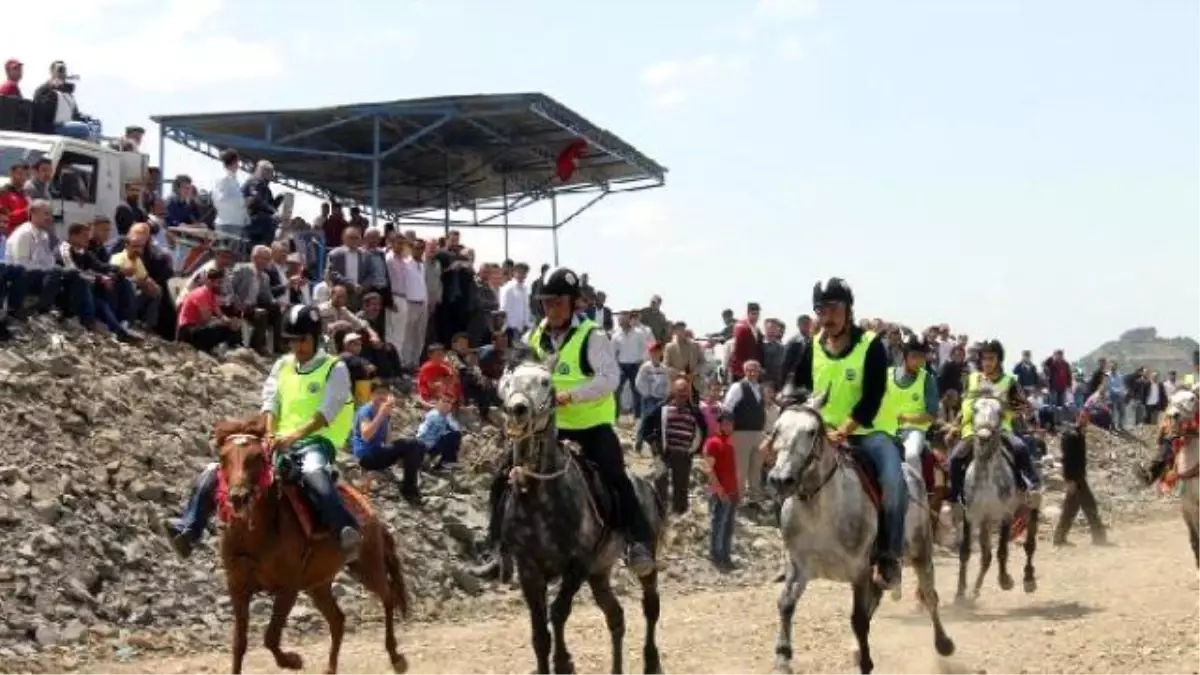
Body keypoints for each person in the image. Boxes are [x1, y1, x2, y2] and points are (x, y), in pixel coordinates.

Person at [471, 266, 657, 578]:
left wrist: (570, 396)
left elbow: (609, 379)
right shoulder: (533, 336)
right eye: (546, 302)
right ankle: (497, 550)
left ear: (573, 304)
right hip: (545, 428)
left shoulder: (593, 337)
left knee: (616, 477)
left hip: (589, 425)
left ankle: (636, 543)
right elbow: (509, 377)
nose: (551, 308)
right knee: (502, 476)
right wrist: (513, 394)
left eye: (558, 302)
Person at [162, 305, 362, 561]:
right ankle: (189, 529)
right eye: (292, 341)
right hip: (279, 440)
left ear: (315, 337)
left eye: (303, 340)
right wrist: (269, 433)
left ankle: (345, 530)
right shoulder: (283, 365)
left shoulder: (335, 369)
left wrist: (294, 436)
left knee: (312, 472)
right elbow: (271, 402)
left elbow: (327, 412)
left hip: (316, 440)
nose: (297, 347)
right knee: (217, 470)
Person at [788, 277, 907, 589]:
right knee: (785, 471)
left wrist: (844, 431)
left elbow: (872, 397)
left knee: (893, 481)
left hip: (868, 431)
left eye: (832, 308)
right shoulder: (812, 345)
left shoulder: (871, 346)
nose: (825, 316)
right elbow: (798, 386)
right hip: (821, 432)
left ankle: (889, 555)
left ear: (848, 310)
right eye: (820, 310)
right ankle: (794, 552)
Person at [948, 339, 1040, 505]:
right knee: (954, 459)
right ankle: (955, 500)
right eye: (984, 358)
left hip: (1000, 430)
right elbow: (965, 405)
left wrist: (1026, 411)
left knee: (1021, 448)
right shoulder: (972, 379)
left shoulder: (1009, 382)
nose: (987, 363)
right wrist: (955, 425)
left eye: (991, 358)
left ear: (998, 360)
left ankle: (1031, 488)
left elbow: (1022, 408)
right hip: (972, 430)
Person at [351, 382, 424, 505]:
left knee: (418, 445)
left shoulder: (384, 412)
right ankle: (408, 490)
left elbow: (388, 440)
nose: (382, 396)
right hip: (366, 456)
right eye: (379, 393)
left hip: (379, 453)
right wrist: (381, 414)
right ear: (372, 395)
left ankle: (410, 483)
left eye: (385, 393)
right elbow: (366, 435)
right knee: (411, 444)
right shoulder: (365, 411)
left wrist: (401, 453)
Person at [880, 335, 939, 476]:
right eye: (915, 356)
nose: (919, 361)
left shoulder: (927, 379)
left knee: (911, 455)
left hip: (914, 431)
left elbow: (931, 415)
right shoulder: (887, 374)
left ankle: (915, 495)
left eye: (922, 357)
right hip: (887, 430)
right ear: (905, 356)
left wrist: (905, 417)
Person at [1053, 411, 1107, 546]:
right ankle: (1099, 538)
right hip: (1075, 478)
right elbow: (1067, 459)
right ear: (1077, 417)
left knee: (1070, 509)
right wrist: (1069, 480)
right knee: (1090, 506)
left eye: (1087, 417)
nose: (1085, 419)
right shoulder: (1071, 435)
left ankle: (1059, 538)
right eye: (1082, 417)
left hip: (1078, 476)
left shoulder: (1079, 434)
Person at [703, 410, 739, 570]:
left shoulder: (731, 443)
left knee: (728, 526)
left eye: (730, 423)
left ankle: (726, 556)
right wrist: (719, 490)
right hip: (720, 492)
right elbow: (709, 469)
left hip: (732, 491)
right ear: (719, 424)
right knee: (718, 524)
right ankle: (716, 556)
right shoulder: (713, 443)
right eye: (724, 423)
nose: (727, 426)